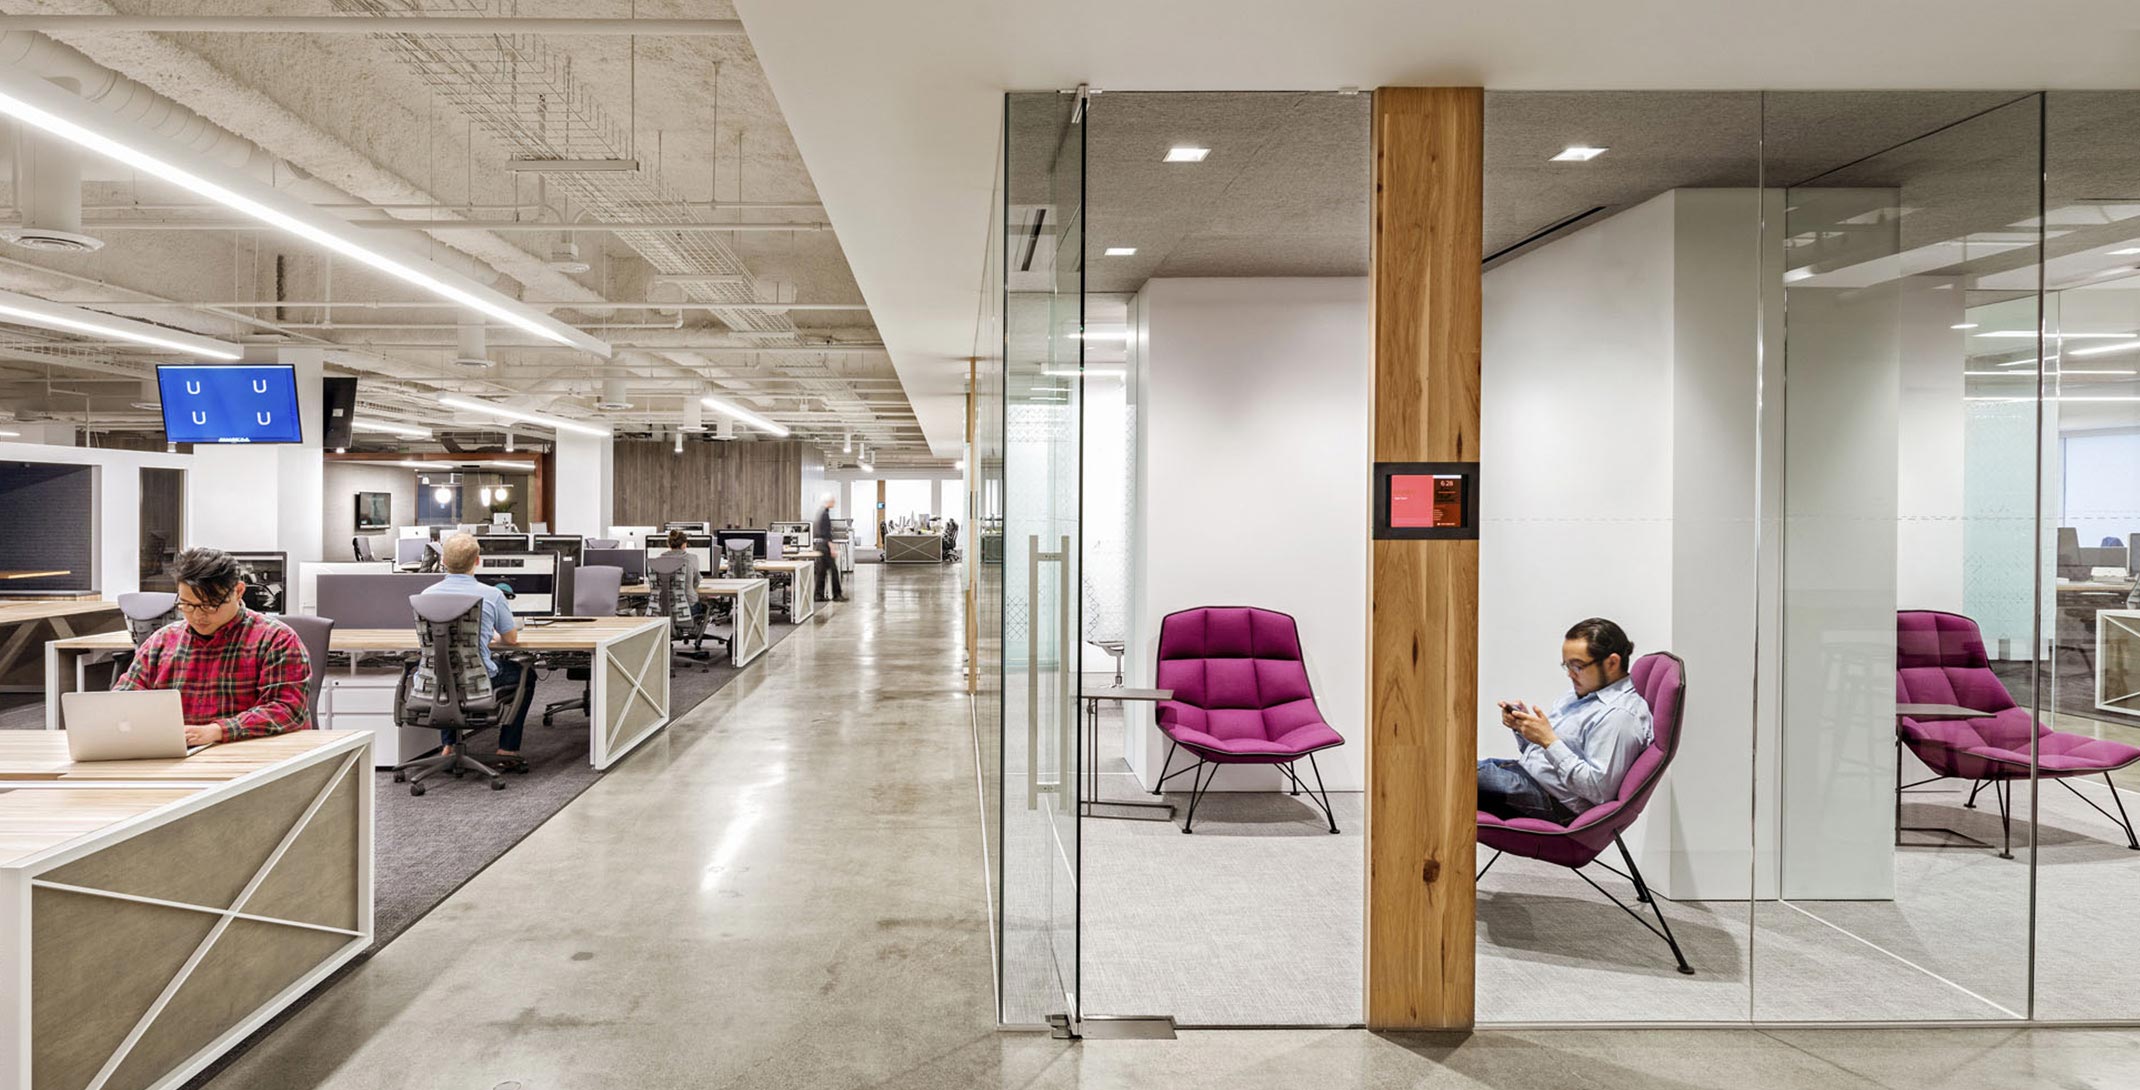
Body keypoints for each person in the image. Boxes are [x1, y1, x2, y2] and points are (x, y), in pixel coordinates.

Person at [114, 546, 312, 746]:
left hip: (250, 756)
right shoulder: (161, 642)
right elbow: (123, 700)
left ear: (238, 592)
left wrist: (217, 731)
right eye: (187, 605)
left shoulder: (277, 639)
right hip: (178, 755)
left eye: (210, 605)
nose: (198, 616)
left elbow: (286, 709)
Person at [1478, 617, 1654, 823]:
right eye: (1566, 665)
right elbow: (1548, 755)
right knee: (1448, 767)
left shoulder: (1620, 716)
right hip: (1526, 775)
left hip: (1554, 803)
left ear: (1612, 662)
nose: (1570, 674)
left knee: (1448, 775)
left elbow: (1599, 791)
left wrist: (1548, 741)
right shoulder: (1580, 695)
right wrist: (1524, 729)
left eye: (1577, 666)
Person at [432, 532, 531, 769]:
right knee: (526, 674)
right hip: (479, 678)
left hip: (435, 679)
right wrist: (486, 636)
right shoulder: (492, 595)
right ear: (477, 561)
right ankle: (507, 748)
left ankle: (448, 745)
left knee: (447, 671)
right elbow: (511, 639)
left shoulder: (426, 595)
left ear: (443, 561)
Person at [814, 493, 847, 602]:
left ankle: (818, 595)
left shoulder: (820, 513)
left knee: (821, 571)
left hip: (820, 545)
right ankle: (837, 595)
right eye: (833, 501)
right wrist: (832, 548)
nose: (834, 503)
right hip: (824, 545)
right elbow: (826, 534)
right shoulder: (824, 514)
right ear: (828, 502)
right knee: (833, 570)